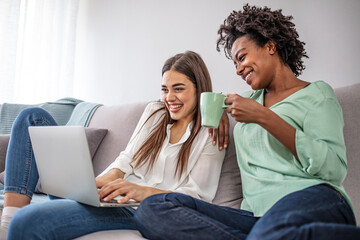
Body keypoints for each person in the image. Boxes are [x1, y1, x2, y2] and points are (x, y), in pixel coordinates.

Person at [134, 4, 360, 240]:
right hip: (255, 217)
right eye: (235, 64)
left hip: (315, 198)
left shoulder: (316, 94)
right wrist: (217, 108)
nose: (239, 70)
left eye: (242, 58)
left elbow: (333, 169)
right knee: (153, 208)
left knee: (273, 230)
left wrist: (263, 116)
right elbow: (218, 100)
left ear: (270, 46)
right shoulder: (248, 101)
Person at [0, 51, 227, 239]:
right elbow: (127, 158)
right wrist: (96, 182)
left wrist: (141, 192)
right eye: (165, 89)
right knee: (31, 117)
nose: (169, 97)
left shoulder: (211, 131)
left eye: (178, 89)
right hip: (108, 197)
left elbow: (198, 197)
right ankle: (8, 218)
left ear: (200, 90)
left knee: (28, 221)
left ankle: (14, 222)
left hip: (135, 210)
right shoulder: (156, 112)